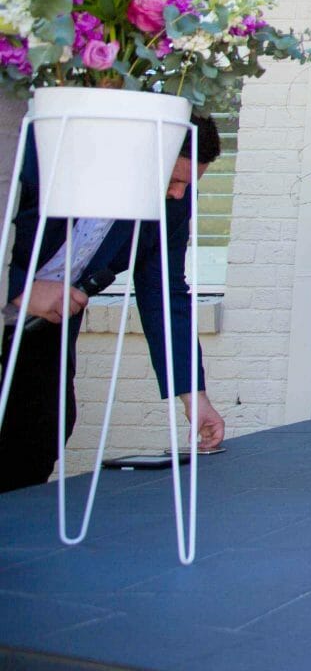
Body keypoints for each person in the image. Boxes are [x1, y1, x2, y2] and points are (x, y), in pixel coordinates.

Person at [2, 114, 226, 493]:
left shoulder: (173, 203)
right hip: (16, 295)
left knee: (45, 426)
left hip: (43, 329)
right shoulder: (46, 161)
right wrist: (19, 290)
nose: (177, 194)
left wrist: (193, 394)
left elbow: (164, 294)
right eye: (172, 180)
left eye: (187, 185)